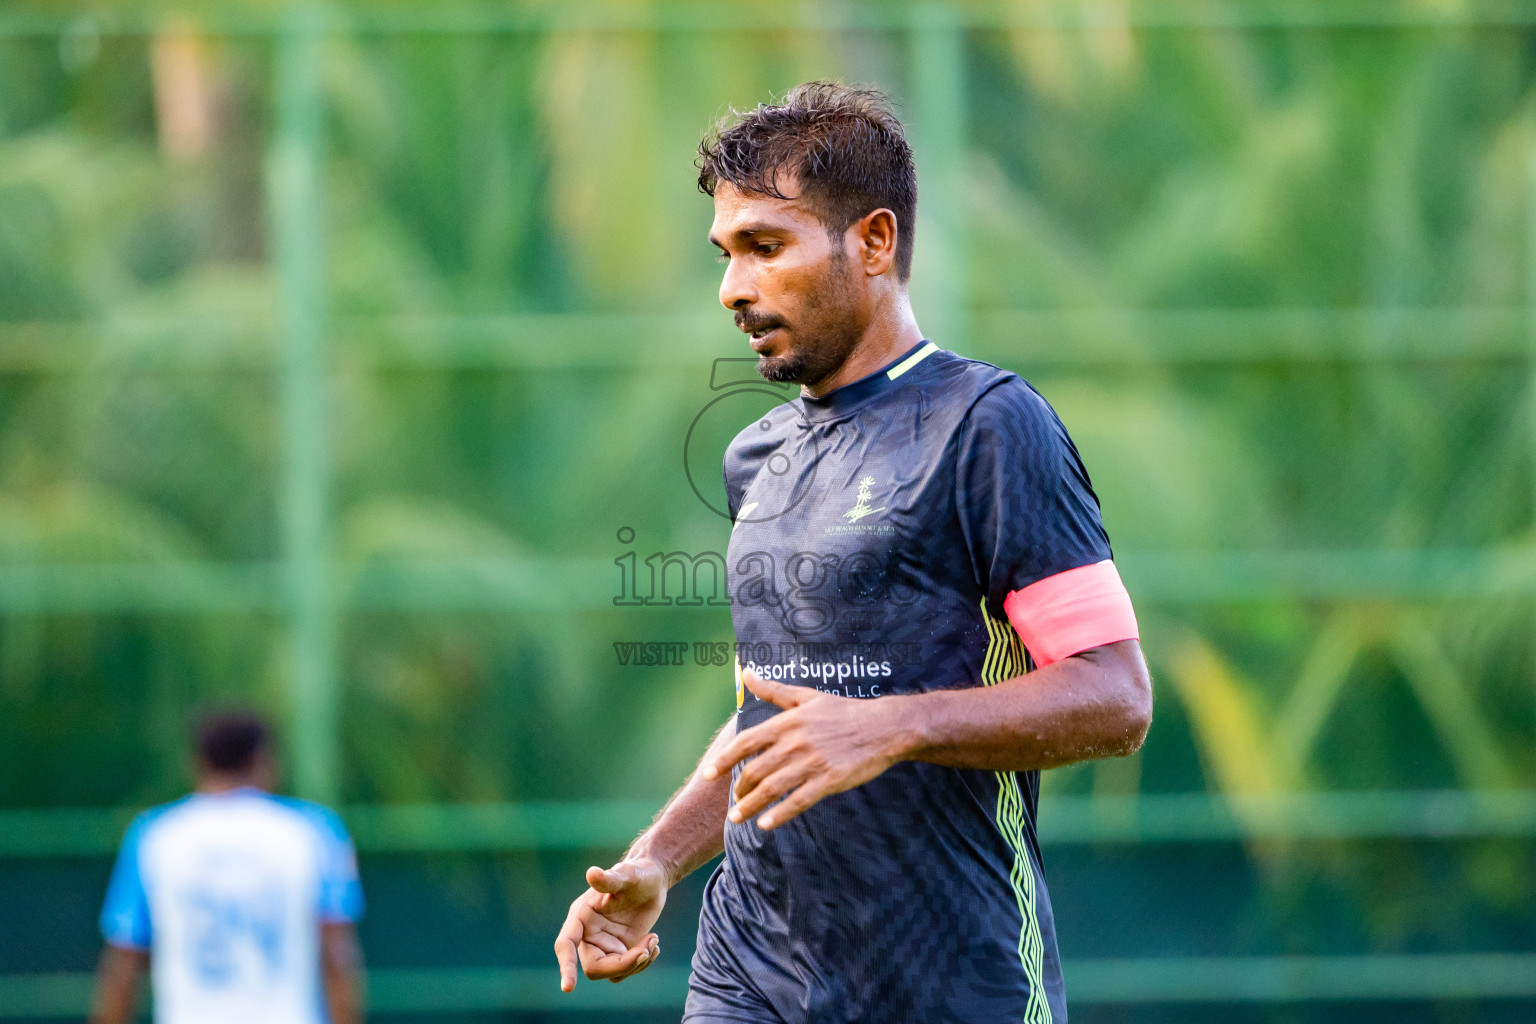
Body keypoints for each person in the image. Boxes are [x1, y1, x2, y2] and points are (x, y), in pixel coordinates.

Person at [554, 81, 1153, 1023]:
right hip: (749, 974)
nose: (733, 289)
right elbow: (771, 714)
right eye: (726, 253)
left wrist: (890, 725)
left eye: (766, 247)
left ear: (874, 243)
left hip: (951, 984)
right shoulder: (757, 456)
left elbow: (1116, 697)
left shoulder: (990, 427)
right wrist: (656, 860)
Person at [91, 711, 365, 1024]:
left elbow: (123, 962)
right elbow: (337, 953)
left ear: (197, 761)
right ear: (261, 759)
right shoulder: (314, 832)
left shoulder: (155, 836)